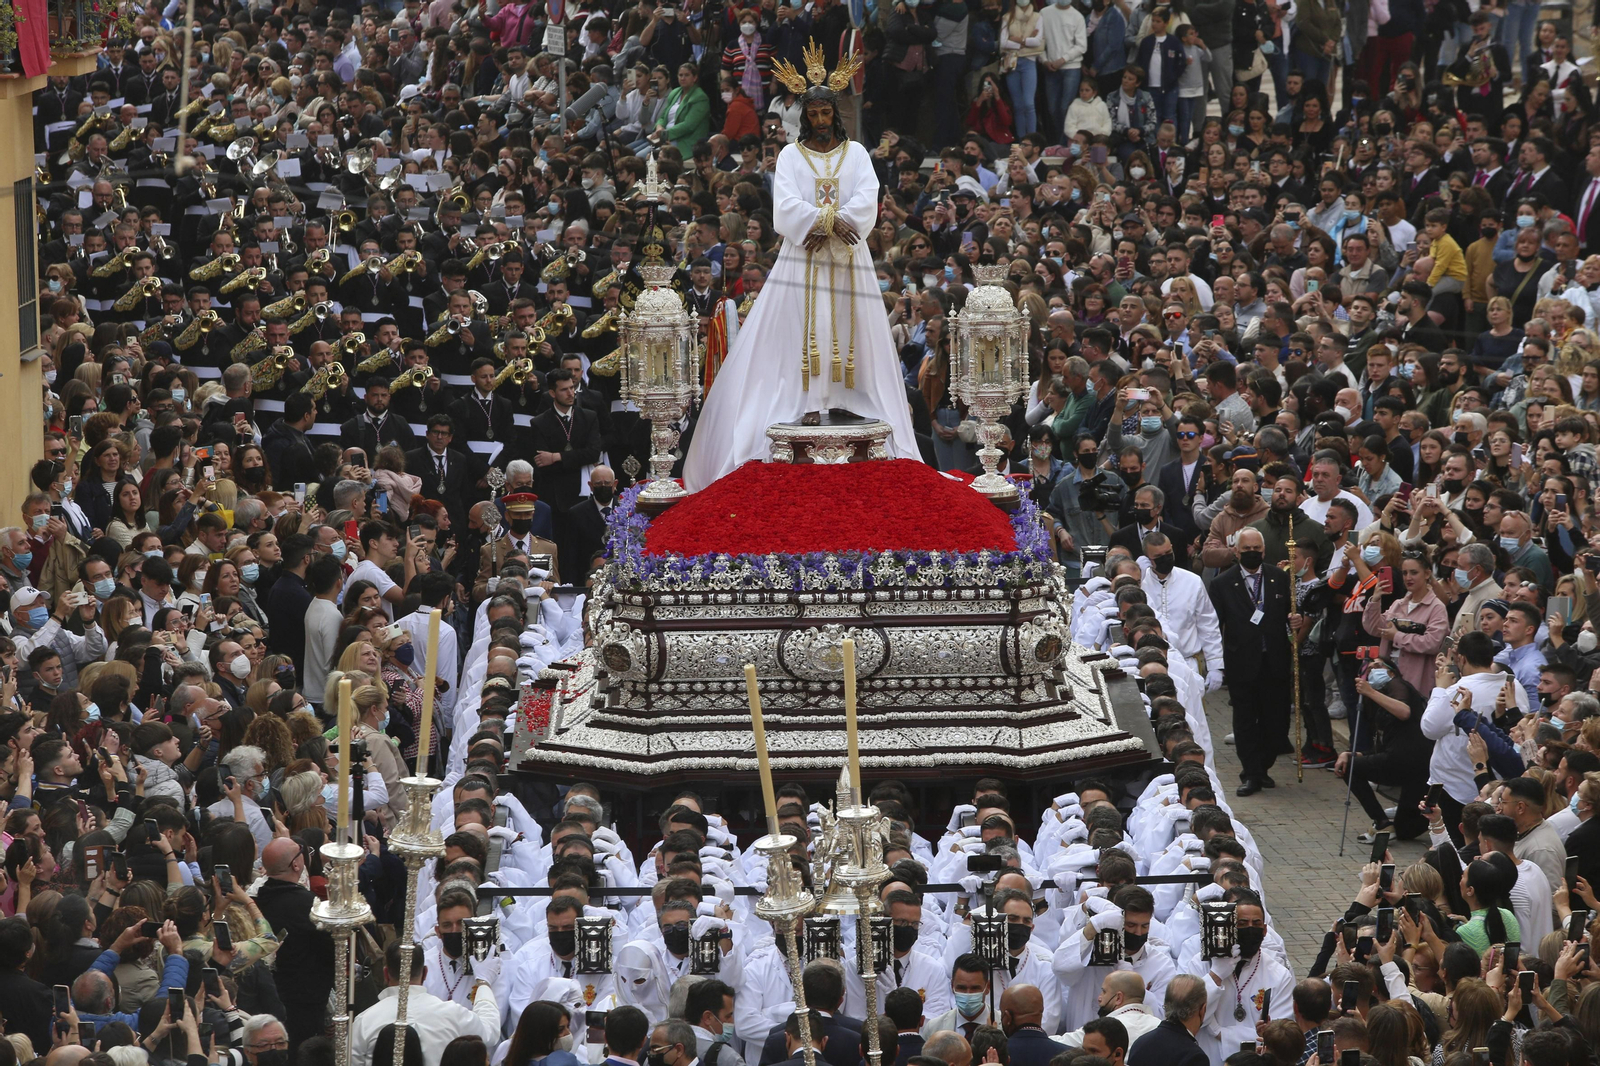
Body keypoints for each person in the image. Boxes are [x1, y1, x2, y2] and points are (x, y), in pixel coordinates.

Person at [681, 63, 921, 491]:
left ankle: (849, 396)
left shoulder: (858, 153)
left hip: (849, 256)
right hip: (804, 255)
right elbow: (785, 204)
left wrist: (838, 222)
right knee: (802, 328)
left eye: (827, 113)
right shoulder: (792, 155)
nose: (821, 120)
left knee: (853, 328)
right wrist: (829, 220)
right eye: (814, 114)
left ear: (836, 114)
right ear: (805, 116)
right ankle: (808, 399)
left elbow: (868, 197)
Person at [1209, 527, 1294, 795]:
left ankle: (1263, 767)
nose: (1252, 554)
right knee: (1245, 721)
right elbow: (1214, 626)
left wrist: (1297, 621)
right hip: (1242, 663)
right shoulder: (1222, 583)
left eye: (1257, 549)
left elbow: (1290, 614)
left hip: (1275, 662)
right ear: (1236, 551)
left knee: (1276, 722)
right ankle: (1251, 773)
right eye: (1246, 550)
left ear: (1264, 550)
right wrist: (1216, 662)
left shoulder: (1280, 578)